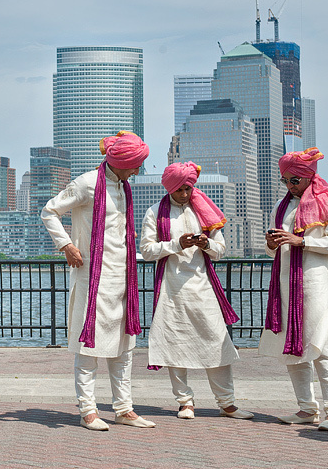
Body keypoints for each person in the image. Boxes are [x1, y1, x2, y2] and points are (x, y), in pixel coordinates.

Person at [41, 131, 155, 431]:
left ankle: (123, 409)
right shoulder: (87, 183)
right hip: (91, 275)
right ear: (120, 162)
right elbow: (49, 211)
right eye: (135, 165)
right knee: (88, 348)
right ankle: (88, 410)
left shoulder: (123, 187)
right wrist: (66, 245)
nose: (138, 171)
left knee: (124, 348)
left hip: (122, 277)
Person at [139, 162, 253, 421]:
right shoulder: (156, 213)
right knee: (175, 344)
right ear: (170, 188)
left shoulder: (205, 211)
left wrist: (206, 243)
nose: (184, 194)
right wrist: (175, 244)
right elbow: (146, 251)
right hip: (172, 289)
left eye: (188, 188)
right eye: (179, 189)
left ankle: (227, 403)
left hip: (203, 288)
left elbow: (221, 250)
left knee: (218, 342)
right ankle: (185, 402)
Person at [259, 147, 328, 431]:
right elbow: (272, 246)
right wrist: (272, 244)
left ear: (308, 177)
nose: (289, 186)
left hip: (316, 284)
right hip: (286, 285)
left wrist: (303, 242)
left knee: (322, 346)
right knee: (291, 348)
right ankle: (307, 408)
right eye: (284, 180)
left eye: (293, 180)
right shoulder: (281, 206)